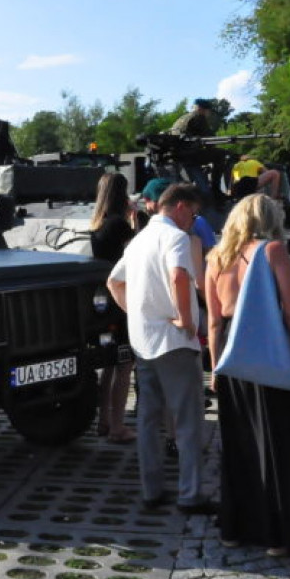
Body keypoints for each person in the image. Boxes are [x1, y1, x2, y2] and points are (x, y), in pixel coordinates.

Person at [205, 194, 290, 555]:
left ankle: (235, 530)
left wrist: (216, 365)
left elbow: (214, 322)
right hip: (269, 354)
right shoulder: (272, 251)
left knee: (242, 447)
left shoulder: (215, 258)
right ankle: (280, 535)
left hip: (234, 361)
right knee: (285, 443)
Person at [107, 183, 217, 515]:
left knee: (147, 419)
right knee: (187, 420)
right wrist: (186, 319)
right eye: (193, 213)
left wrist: (136, 314)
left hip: (144, 340)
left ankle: (152, 490)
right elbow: (179, 277)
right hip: (173, 341)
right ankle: (190, 493)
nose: (193, 221)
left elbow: (113, 282)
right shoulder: (175, 238)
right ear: (181, 206)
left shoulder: (138, 240)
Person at [89, 173, 138, 444]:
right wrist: (135, 221)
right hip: (121, 301)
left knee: (108, 364)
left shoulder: (97, 224)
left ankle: (104, 421)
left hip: (103, 301)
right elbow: (136, 254)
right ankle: (118, 425)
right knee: (125, 364)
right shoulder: (120, 224)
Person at [169, 99, 227, 202]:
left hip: (178, 155)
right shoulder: (198, 117)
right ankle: (216, 190)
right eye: (208, 111)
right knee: (220, 155)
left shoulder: (182, 118)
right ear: (202, 109)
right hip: (190, 155)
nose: (208, 114)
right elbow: (210, 139)